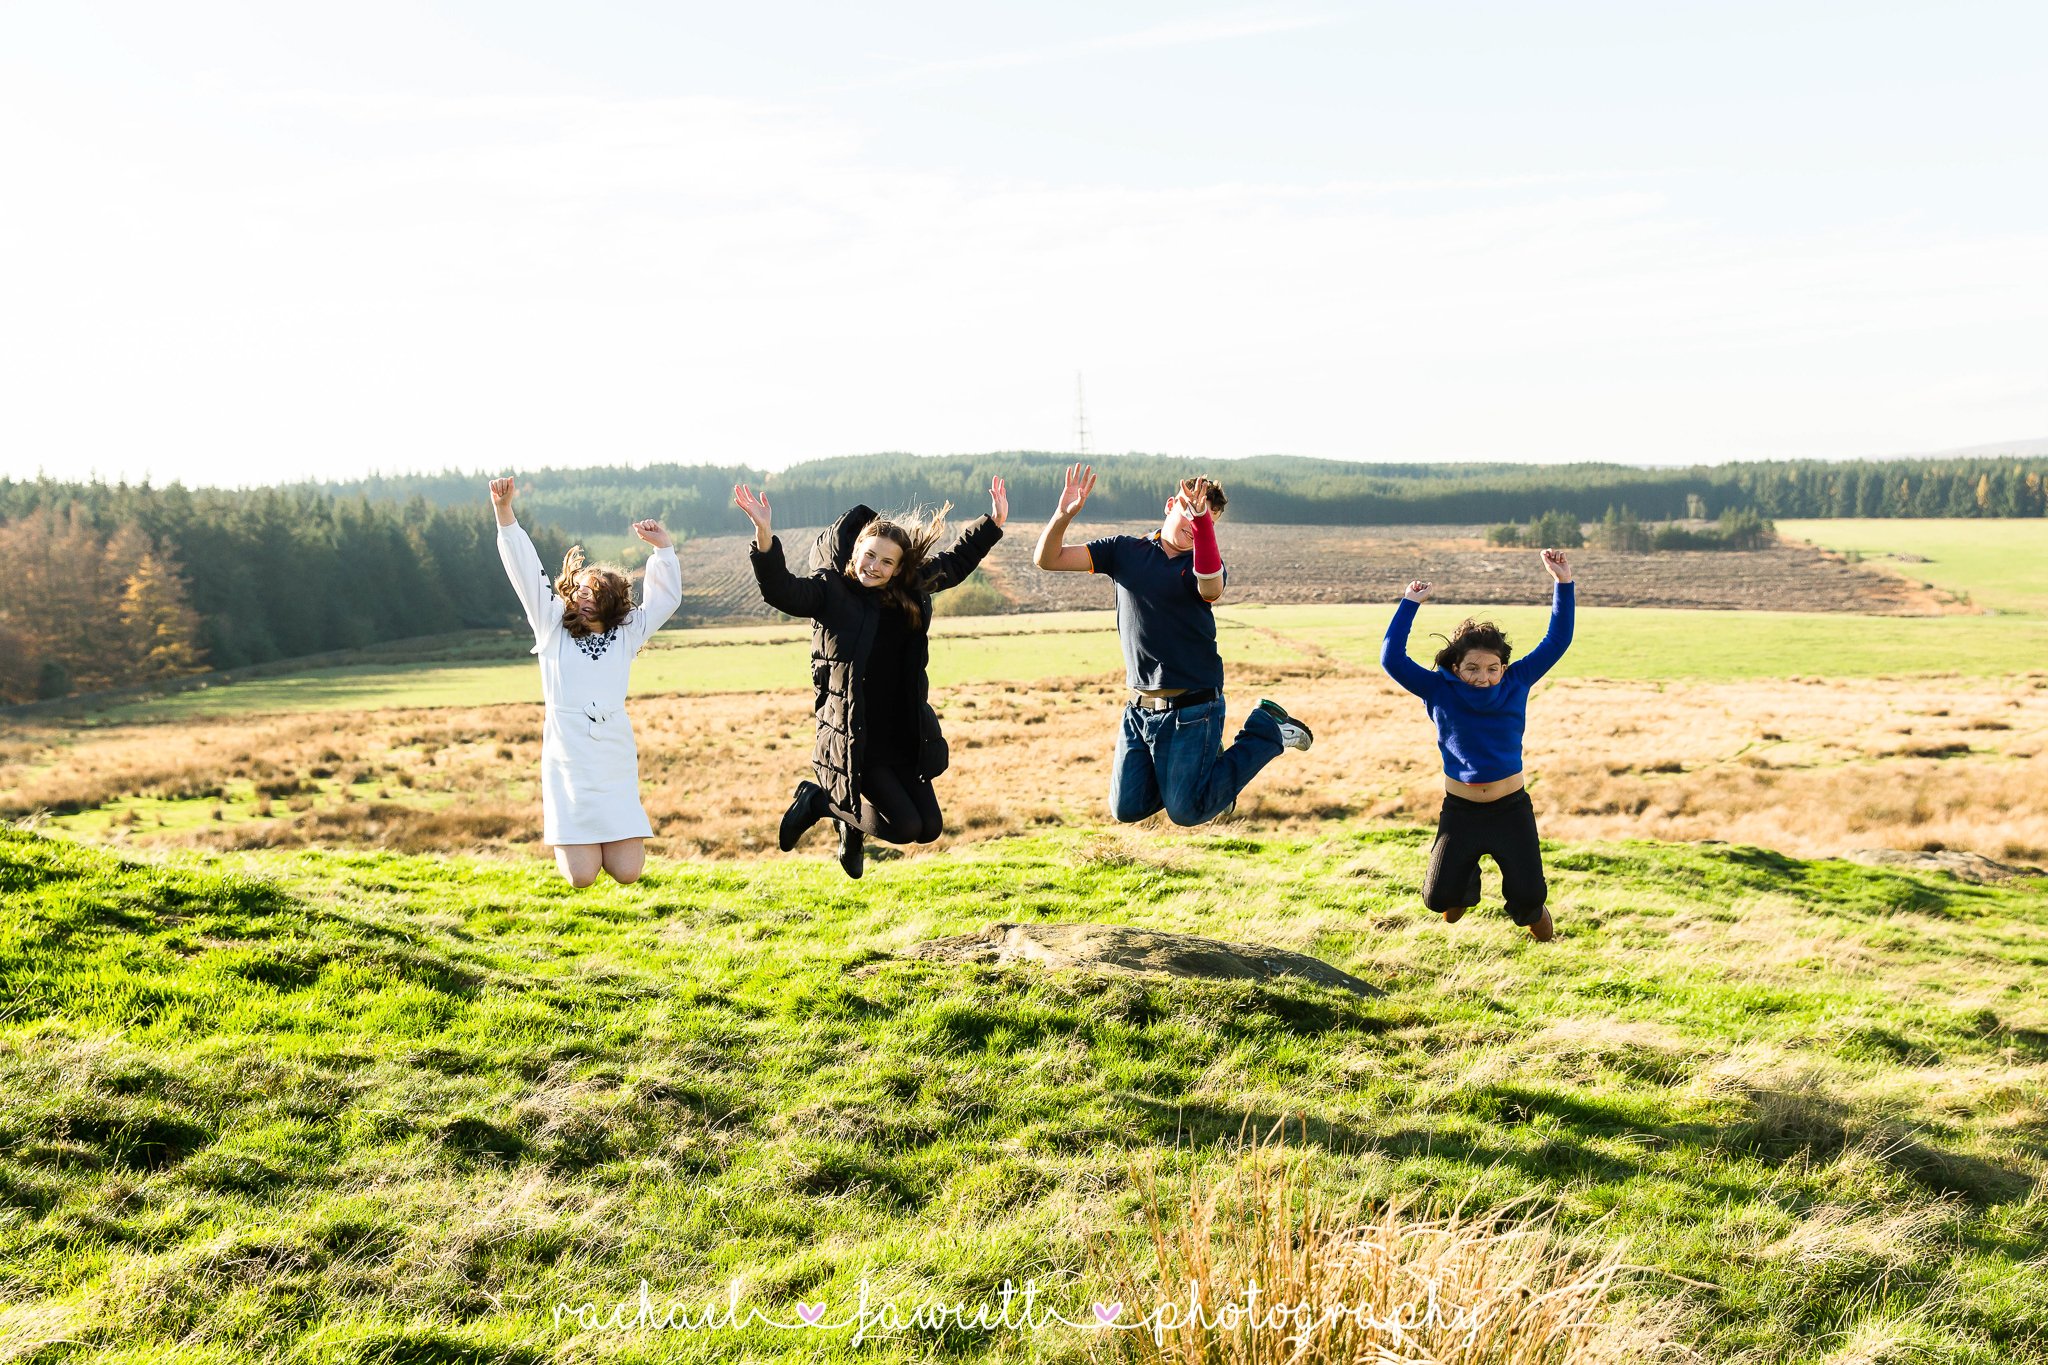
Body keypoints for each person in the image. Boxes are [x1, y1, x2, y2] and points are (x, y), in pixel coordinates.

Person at [735, 477, 1007, 879]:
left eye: (886, 562)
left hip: (903, 732)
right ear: (856, 551)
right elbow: (781, 590)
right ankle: (819, 802)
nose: (873, 567)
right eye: (869, 555)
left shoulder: (910, 590)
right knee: (904, 826)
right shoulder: (830, 592)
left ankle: (841, 815)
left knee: (930, 829)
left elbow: (954, 563)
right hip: (858, 736)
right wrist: (764, 536)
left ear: (898, 568)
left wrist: (993, 524)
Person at [1034, 463, 1312, 826]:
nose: (1196, 523)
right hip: (1138, 709)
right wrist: (1061, 515)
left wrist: (1201, 525)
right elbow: (1047, 559)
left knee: (1185, 811)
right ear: (1169, 505)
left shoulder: (1205, 562)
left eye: (1207, 520)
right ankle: (1212, 785)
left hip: (1193, 706)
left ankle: (1267, 730)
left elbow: (1211, 587)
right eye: (1189, 509)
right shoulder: (1123, 551)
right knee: (1126, 808)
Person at [491, 476, 681, 887]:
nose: (584, 597)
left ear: (611, 598)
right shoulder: (550, 625)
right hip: (569, 754)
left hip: (613, 751)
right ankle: (575, 847)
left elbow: (665, 600)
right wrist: (504, 513)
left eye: (595, 591)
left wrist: (663, 550)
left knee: (629, 873)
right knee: (581, 877)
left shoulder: (627, 630)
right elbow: (525, 573)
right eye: (579, 589)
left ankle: (609, 839)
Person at [1380, 549, 1575, 941]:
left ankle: (1532, 911)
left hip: (1511, 809)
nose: (1483, 677)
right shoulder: (1437, 689)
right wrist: (1409, 603)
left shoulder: (1517, 681)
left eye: (1491, 668)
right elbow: (1392, 658)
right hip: (1461, 811)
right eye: (1472, 668)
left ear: (1503, 667)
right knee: (1440, 902)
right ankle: (1464, 888)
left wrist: (1563, 583)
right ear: (1455, 667)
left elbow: (1558, 640)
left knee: (1529, 901)